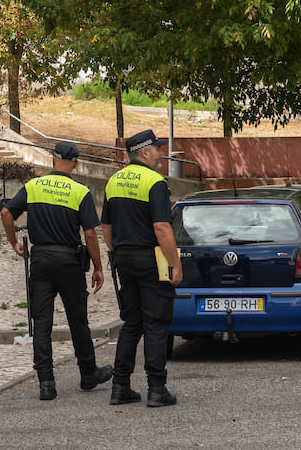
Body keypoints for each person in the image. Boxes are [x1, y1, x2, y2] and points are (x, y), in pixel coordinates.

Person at [1, 141, 113, 400]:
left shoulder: (33, 186)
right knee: (78, 321)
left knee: (41, 322)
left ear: (53, 160)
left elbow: (7, 213)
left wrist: (14, 243)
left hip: (40, 261)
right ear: (75, 163)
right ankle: (88, 374)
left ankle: (46, 383)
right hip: (69, 263)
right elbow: (89, 235)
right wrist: (98, 267)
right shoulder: (79, 191)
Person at [101, 129, 182, 407]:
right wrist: (175, 264)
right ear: (145, 152)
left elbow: (106, 226)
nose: (161, 153)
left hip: (123, 258)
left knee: (131, 323)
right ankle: (156, 389)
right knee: (156, 324)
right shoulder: (154, 182)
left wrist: (115, 252)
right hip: (150, 259)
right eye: (157, 149)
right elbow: (161, 227)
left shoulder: (114, 181)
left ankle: (120, 386)